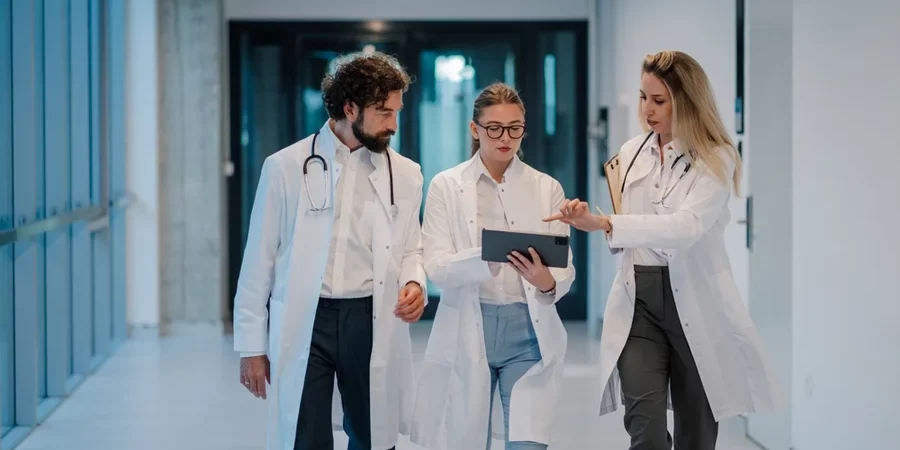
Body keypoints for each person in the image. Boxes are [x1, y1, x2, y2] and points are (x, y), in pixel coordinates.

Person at [545, 50, 783, 449]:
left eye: (659, 101)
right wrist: (596, 221)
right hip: (639, 303)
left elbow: (687, 226)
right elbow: (625, 232)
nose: (647, 111)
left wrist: (607, 224)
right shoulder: (628, 154)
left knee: (697, 432)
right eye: (643, 98)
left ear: (686, 101)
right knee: (646, 428)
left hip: (695, 301)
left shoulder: (715, 157)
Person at [233, 51, 428, 450]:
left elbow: (411, 246)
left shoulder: (405, 174)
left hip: (369, 317)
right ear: (349, 107)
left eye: (396, 111)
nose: (394, 123)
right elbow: (259, 260)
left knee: (373, 435)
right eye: (383, 112)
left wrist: (414, 281)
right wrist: (251, 346)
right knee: (306, 438)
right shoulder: (285, 166)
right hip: (307, 319)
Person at [409, 82, 575, 450]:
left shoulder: (546, 187)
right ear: (475, 129)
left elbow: (563, 266)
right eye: (495, 128)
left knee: (528, 444)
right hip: (470, 326)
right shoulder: (446, 186)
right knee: (466, 438)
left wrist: (547, 282)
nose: (506, 138)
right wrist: (489, 259)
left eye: (515, 128)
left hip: (528, 333)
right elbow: (436, 265)